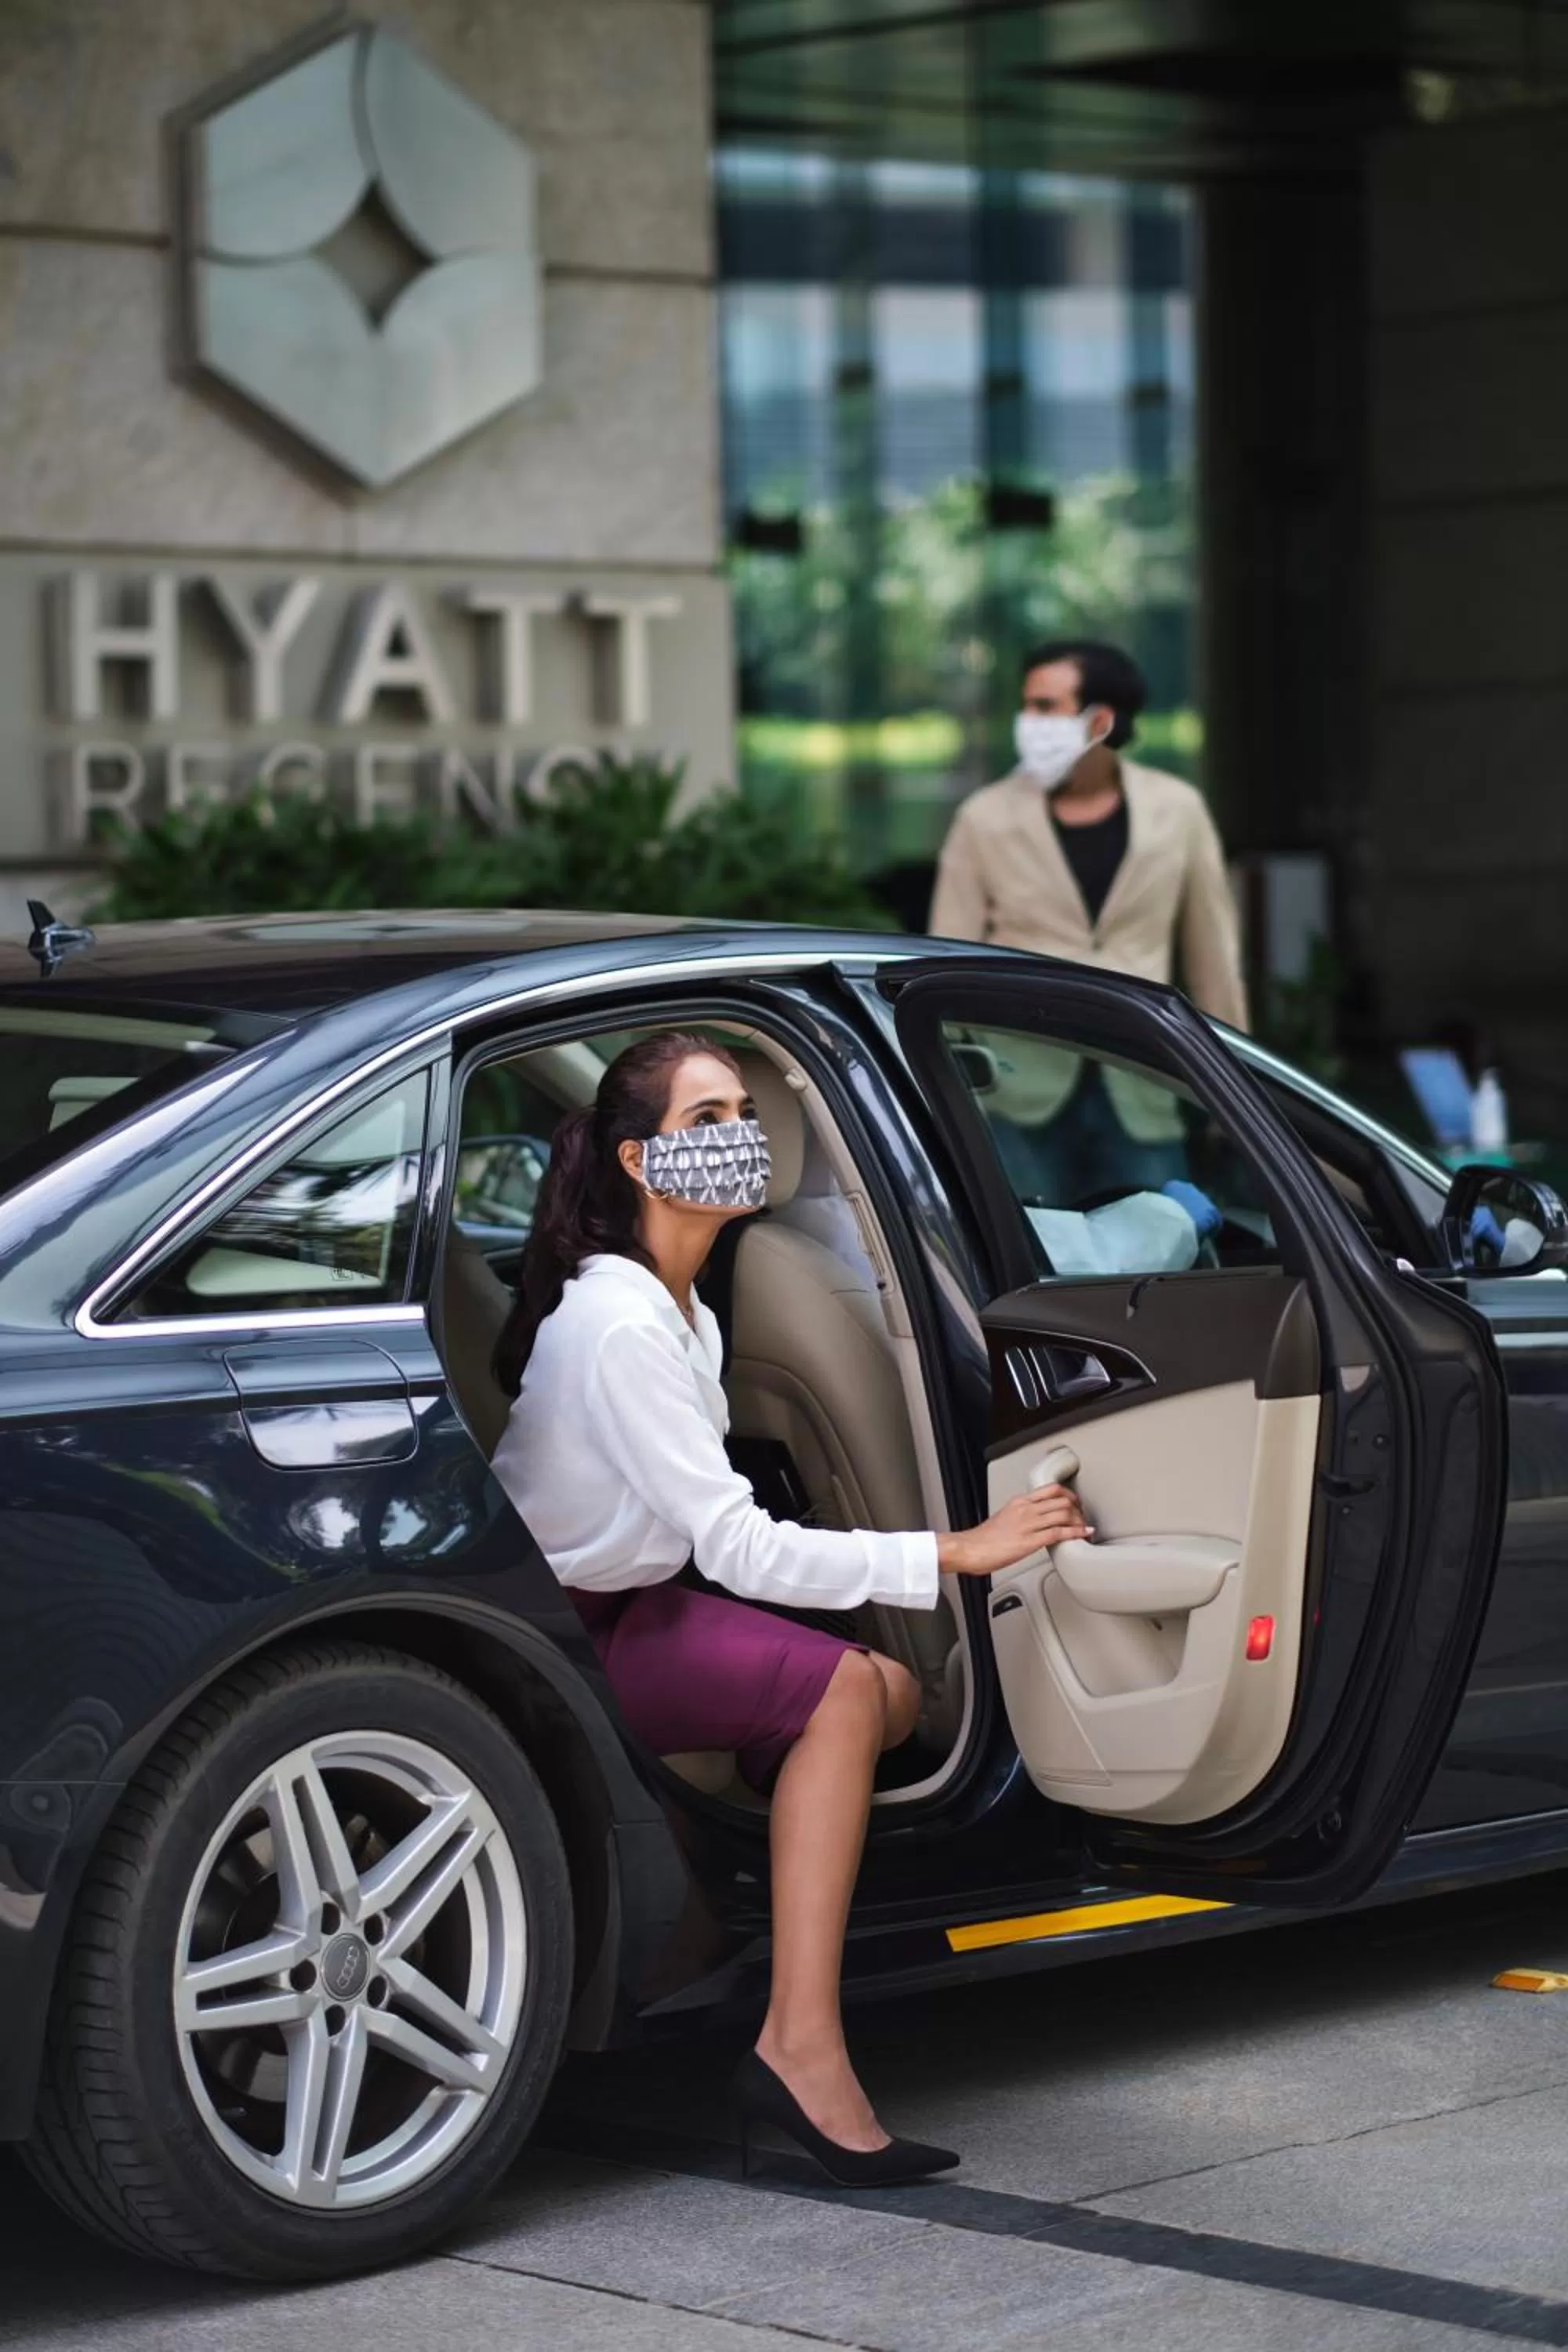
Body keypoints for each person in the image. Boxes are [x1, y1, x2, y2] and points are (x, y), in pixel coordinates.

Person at [488, 1030, 1088, 2186]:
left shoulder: (681, 1309)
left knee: (888, 1693)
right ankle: (798, 2046)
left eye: (743, 1115)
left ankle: (707, 1911)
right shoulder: (620, 1325)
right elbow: (737, 1547)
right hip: (565, 1642)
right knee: (849, 1695)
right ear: (636, 1161)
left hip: (630, 1608)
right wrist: (957, 1551)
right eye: (704, 1121)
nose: (738, 1138)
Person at [930, 639, 1248, 1207]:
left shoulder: (1178, 810)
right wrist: (952, 1086)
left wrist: (1233, 1091)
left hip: (1142, 1080)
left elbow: (1213, 959)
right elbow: (942, 960)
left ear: (1100, 721)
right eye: (1026, 706)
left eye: (1045, 707)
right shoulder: (984, 817)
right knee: (1034, 1251)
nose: (1028, 722)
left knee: (1167, 1241)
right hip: (1019, 1091)